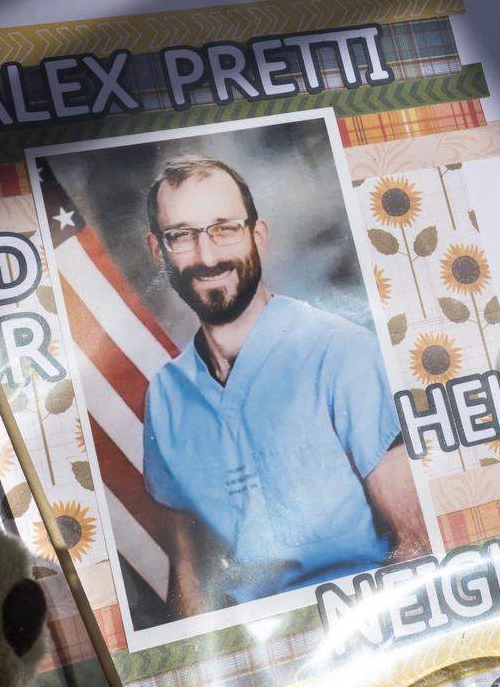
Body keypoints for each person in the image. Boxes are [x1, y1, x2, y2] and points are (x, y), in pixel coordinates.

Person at [138, 156, 428, 616]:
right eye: (182, 236)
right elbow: (189, 575)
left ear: (258, 235)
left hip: (362, 620)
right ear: (158, 251)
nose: (207, 255)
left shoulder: (342, 352)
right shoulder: (166, 397)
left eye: (224, 228)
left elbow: (417, 543)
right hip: (255, 647)